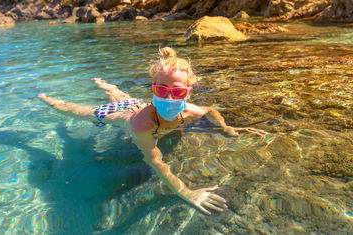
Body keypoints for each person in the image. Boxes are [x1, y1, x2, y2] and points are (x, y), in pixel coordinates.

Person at [38, 47, 267, 215]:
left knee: (120, 95)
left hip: (138, 104)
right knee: (76, 111)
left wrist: (226, 128)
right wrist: (186, 192)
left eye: (177, 93)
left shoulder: (192, 110)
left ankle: (104, 84)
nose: (168, 97)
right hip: (122, 115)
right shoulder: (142, 127)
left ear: (187, 93)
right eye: (161, 90)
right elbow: (156, 162)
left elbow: (210, 110)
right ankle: (46, 98)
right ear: (153, 90)